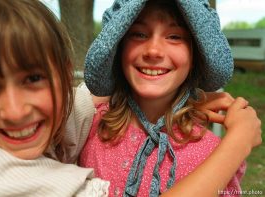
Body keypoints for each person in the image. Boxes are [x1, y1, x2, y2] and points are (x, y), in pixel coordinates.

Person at [0, 0, 261, 196]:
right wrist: (238, 142)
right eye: (138, 34)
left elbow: (79, 98)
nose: (16, 110)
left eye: (175, 37)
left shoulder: (208, 147)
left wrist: (186, 100)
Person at [79, 0, 262, 197]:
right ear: (119, 49)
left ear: (195, 56)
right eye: (139, 34)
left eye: (174, 36)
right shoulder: (88, 125)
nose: (153, 51)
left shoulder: (213, 153)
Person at [0, 0, 109, 196]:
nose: (15, 112)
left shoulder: (56, 113)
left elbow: (85, 101)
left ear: (65, 74)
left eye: (33, 79)